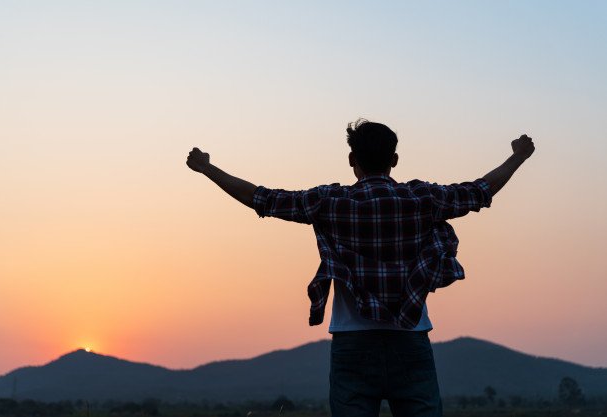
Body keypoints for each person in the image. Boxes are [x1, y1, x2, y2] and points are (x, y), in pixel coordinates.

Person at [185, 119, 535, 417]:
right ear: (394, 159)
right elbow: (480, 191)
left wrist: (206, 168)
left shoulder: (332, 202)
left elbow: (262, 198)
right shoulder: (422, 199)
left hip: (352, 345)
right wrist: (517, 156)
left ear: (352, 159)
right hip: (411, 341)